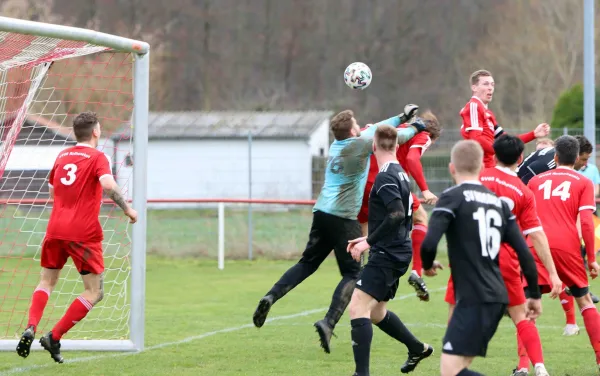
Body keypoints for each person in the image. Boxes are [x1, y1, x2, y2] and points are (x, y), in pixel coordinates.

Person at [252, 106, 428, 355]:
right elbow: (388, 138)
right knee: (354, 273)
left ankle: (271, 296)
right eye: (357, 124)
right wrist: (415, 127)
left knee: (307, 263)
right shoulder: (358, 146)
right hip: (344, 217)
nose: (361, 127)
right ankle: (329, 321)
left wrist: (401, 117)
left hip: (321, 211)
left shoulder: (337, 146)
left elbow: (377, 128)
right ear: (352, 131)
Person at [16, 112, 138, 363]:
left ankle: (31, 325)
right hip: (83, 233)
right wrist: (127, 209)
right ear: (95, 132)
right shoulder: (98, 157)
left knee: (47, 282)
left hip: (55, 229)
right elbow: (106, 184)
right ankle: (54, 336)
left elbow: (53, 190)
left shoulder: (62, 156)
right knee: (94, 292)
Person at [420, 140, 542, 376]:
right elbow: (525, 253)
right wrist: (535, 295)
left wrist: (427, 265)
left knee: (450, 370)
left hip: (473, 297)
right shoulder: (498, 204)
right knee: (458, 366)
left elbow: (429, 244)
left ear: (451, 168)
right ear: (480, 168)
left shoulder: (452, 196)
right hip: (496, 296)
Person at [346, 125, 434, 376]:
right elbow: (396, 215)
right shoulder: (401, 173)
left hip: (388, 252)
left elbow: (395, 214)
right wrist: (367, 239)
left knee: (357, 308)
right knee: (375, 312)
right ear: (396, 146)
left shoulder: (385, 176)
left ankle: (361, 374)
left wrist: (367, 242)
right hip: (397, 250)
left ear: (374, 147)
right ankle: (417, 348)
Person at [527, 135, 600, 367]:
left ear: (555, 156)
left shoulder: (535, 182)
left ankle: (526, 366)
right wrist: (591, 258)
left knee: (528, 306)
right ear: (577, 158)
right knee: (585, 301)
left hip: (535, 245)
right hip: (567, 246)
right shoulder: (583, 182)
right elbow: (587, 222)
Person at [357, 110, 443, 302]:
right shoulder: (423, 134)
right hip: (385, 182)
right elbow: (412, 159)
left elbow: (364, 133)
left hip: (362, 185)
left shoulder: (396, 128)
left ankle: (358, 280)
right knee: (420, 217)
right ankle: (416, 271)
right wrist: (425, 190)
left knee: (368, 234)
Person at [459, 69, 549, 169]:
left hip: (490, 168)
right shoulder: (473, 106)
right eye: (486, 84)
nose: (490, 88)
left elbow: (507, 141)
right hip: (480, 170)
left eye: (492, 85)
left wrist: (533, 134)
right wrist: (502, 152)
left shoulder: (488, 114)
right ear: (474, 87)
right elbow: (476, 139)